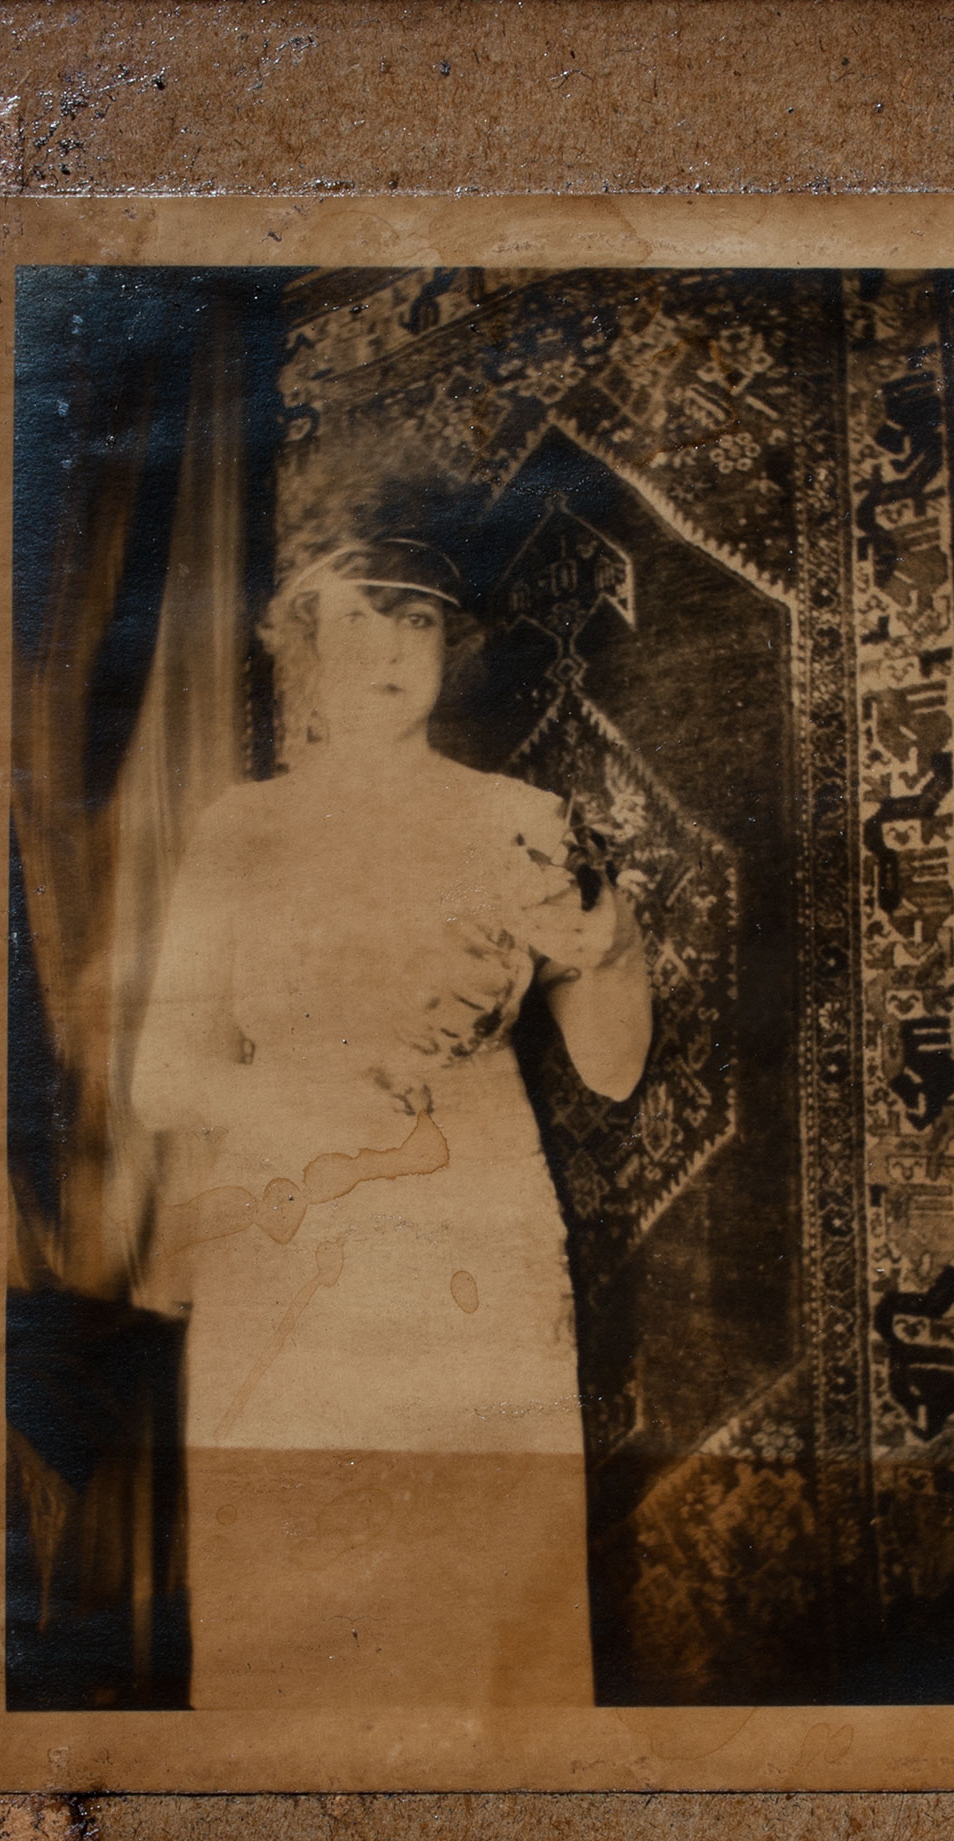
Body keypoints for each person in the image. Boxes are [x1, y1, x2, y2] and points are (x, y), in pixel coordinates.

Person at [129, 537, 652, 1711]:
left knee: (476, 1575)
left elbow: (612, 1069)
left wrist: (611, 941)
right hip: (295, 1223)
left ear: (447, 648)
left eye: (416, 621)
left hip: (475, 1222)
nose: (391, 649)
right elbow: (162, 1077)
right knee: (299, 1580)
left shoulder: (524, 820)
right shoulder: (240, 829)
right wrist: (304, 1100)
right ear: (304, 652)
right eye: (356, 620)